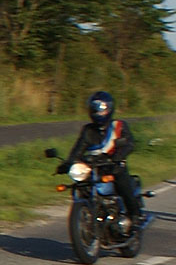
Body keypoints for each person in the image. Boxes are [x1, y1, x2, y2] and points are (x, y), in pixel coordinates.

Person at [58, 91, 142, 229]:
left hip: (114, 165)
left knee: (122, 183)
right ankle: (90, 212)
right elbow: (78, 149)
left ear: (109, 109)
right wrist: (68, 163)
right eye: (95, 109)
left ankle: (135, 215)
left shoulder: (118, 126)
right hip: (94, 167)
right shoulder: (88, 130)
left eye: (101, 109)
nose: (98, 113)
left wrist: (118, 156)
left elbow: (129, 144)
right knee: (82, 185)